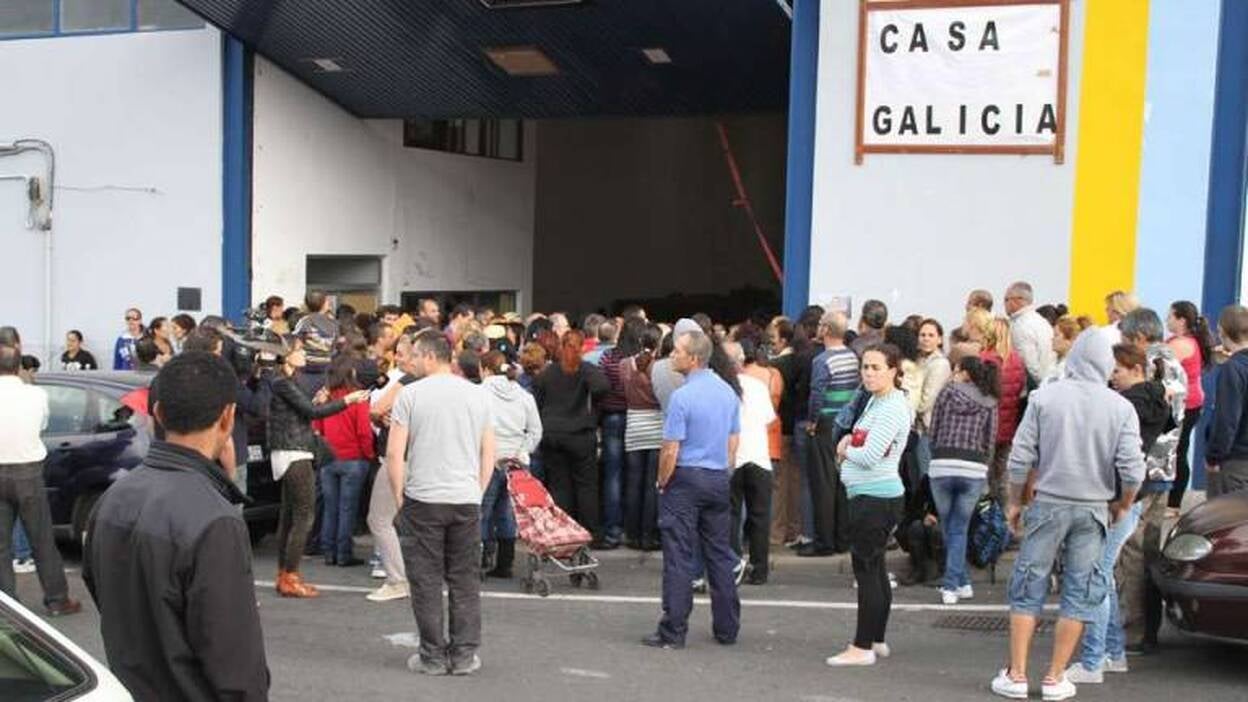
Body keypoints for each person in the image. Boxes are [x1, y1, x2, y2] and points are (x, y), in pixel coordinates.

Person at [82, 352, 268, 700]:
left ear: (158, 414)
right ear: (228, 418)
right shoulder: (216, 520)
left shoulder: (113, 497)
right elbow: (236, 668)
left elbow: (101, 591)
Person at [990, 331, 1144, 701]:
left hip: (1048, 503)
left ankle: (1016, 674)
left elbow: (1021, 457)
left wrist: (1015, 501)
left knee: (1028, 586)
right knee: (1080, 591)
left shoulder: (1044, 398)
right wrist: (1123, 503)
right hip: (1093, 508)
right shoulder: (1120, 407)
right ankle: (1056, 676)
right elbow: (1134, 469)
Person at [386, 332, 494, 676]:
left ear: (431, 356)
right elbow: (488, 451)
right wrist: (477, 490)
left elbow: (394, 453)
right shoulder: (478, 395)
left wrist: (400, 495)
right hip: (465, 498)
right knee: (464, 580)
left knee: (426, 580)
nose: (410, 361)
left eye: (415, 355)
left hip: (423, 498)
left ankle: (432, 655)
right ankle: (463, 655)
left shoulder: (410, 395)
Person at [1066, 343, 1173, 684]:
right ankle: (1111, 653)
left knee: (1097, 576)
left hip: (1116, 498)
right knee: (1104, 576)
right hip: (1127, 496)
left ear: (1136, 369)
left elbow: (1114, 451)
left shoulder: (1129, 405)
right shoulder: (1152, 400)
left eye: (1117, 371)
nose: (1111, 378)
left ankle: (1095, 658)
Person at [643, 329, 741, 649]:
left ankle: (673, 629)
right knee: (719, 554)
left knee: (679, 555)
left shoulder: (682, 397)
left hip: (685, 477)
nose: (672, 355)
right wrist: (722, 469)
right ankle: (727, 628)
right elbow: (732, 440)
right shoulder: (727, 392)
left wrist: (662, 481)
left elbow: (670, 448)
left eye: (677, 351)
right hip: (716, 476)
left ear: (694, 358)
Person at [823, 344, 911, 667]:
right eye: (866, 367)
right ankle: (876, 638)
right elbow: (864, 440)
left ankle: (862, 647)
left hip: (875, 497)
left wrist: (846, 449)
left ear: (893, 370)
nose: (869, 373)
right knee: (874, 569)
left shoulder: (891, 407)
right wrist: (850, 443)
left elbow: (871, 453)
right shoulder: (878, 400)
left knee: (867, 570)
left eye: (876, 367)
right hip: (869, 495)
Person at [269, 339, 369, 597]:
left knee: (291, 516)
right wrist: (347, 400)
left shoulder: (286, 382)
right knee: (303, 516)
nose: (304, 355)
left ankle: (285, 575)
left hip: (291, 451)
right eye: (299, 350)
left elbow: (304, 411)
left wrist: (318, 400)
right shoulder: (282, 381)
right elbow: (312, 413)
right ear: (286, 355)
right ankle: (290, 576)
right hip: (295, 452)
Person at [0, 345, 80, 616]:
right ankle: (57, 599)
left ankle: (8, 606)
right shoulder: (36, 394)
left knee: (1, 544)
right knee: (42, 539)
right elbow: (43, 425)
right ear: (18, 366)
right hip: (28, 471)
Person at [928, 355, 998, 604]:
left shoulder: (947, 393)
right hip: (973, 467)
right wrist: (984, 468)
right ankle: (960, 581)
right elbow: (989, 441)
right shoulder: (990, 400)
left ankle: (953, 583)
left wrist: (935, 451)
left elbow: (933, 428)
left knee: (950, 527)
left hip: (942, 463)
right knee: (959, 527)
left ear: (965, 372)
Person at [533, 330, 609, 540]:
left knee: (559, 485)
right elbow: (602, 387)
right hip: (580, 434)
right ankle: (589, 531)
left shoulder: (548, 373)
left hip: (552, 433)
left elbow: (536, 397)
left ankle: (562, 530)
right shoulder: (586, 370)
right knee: (586, 486)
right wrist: (593, 413)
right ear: (582, 347)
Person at [801, 311, 859, 557]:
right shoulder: (852, 357)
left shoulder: (822, 361)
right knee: (841, 483)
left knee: (822, 484)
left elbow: (817, 394)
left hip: (825, 424)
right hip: (845, 424)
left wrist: (812, 422)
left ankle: (823, 541)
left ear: (825, 330)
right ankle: (842, 539)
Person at [479, 351, 541, 578]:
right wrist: (523, 451)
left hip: (488, 458)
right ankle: (506, 563)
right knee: (507, 512)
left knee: (482, 510)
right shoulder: (525, 396)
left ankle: (481, 558)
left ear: (485, 370)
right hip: (516, 461)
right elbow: (536, 431)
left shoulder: (479, 393)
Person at [312, 356, 376, 567]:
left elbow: (318, 427)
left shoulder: (326, 396)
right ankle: (344, 553)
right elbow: (364, 432)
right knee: (347, 508)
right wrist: (369, 455)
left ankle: (329, 551)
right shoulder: (358, 398)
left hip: (329, 458)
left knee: (331, 507)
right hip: (353, 458)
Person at [725, 341, 776, 585]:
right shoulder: (757, 386)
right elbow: (769, 418)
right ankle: (760, 567)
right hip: (758, 455)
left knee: (732, 513)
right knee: (760, 515)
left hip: (732, 456)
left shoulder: (722, 388)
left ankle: (734, 563)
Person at [966, 309, 1025, 506]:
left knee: (982, 475)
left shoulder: (984, 359)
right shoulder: (1016, 360)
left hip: (985, 428)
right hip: (1008, 429)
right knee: (1001, 477)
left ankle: (982, 520)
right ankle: (1003, 519)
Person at [595, 318, 644, 548]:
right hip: (635, 416)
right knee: (634, 476)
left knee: (612, 474)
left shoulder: (609, 357)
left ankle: (612, 529)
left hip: (611, 417)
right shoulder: (642, 360)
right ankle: (632, 529)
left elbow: (600, 386)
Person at [1165, 301, 1214, 514]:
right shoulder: (1189, 341)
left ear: (1181, 320)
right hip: (1191, 402)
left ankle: (1173, 503)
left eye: (1170, 316)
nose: (1167, 320)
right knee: (1179, 449)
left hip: (1184, 405)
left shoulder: (1180, 344)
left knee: (1177, 450)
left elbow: (1156, 365)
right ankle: (1173, 501)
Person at [620, 323, 664, 550]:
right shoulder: (661, 368)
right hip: (657, 424)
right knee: (651, 485)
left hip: (634, 424)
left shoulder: (624, 365)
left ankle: (632, 533)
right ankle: (649, 534)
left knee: (633, 482)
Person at [1205, 304, 1248, 497]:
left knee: (1223, 521)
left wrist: (1214, 457)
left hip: (1236, 462)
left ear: (1221, 330)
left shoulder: (1233, 369)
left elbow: (1227, 420)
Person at [768, 318, 803, 546]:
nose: (771, 343)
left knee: (779, 484)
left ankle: (777, 533)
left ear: (783, 339)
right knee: (795, 481)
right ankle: (794, 529)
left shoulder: (776, 367)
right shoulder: (801, 361)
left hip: (780, 428)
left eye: (773, 338)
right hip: (796, 426)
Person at [1004, 282, 1057, 387]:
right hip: (1050, 381)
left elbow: (1028, 365)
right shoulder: (1042, 321)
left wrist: (1041, 387)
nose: (1004, 304)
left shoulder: (1020, 326)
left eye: (1006, 299)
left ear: (1018, 300)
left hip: (1033, 388)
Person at [293, 290, 340, 392]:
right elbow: (333, 347)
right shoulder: (334, 324)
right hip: (325, 367)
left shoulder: (305, 321)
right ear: (323, 304)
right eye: (327, 301)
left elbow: (297, 345)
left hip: (305, 367)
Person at [1047, 316, 1084, 383]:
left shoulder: (1072, 368)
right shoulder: (1056, 361)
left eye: (1056, 335)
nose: (1052, 339)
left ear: (1069, 340)